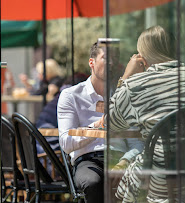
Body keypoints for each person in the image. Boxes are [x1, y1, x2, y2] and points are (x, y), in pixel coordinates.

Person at [95, 25, 185, 202]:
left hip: (160, 176)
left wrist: (126, 77)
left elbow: (110, 123)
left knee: (124, 181)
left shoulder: (136, 86)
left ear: (142, 58)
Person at [57, 42, 144, 203]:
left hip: (120, 158)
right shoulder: (71, 95)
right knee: (93, 182)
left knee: (146, 180)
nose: (111, 62)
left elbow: (136, 142)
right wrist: (98, 125)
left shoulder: (124, 97)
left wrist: (125, 162)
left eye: (115, 58)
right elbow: (66, 143)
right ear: (92, 62)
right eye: (106, 58)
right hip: (88, 160)